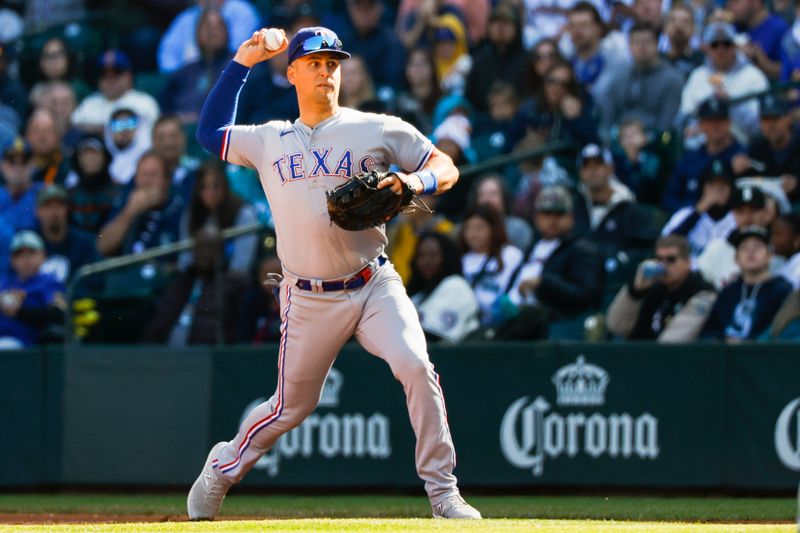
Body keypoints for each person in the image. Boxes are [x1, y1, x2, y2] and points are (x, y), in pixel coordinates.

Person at [189, 26, 482, 520]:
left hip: (373, 283)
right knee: (289, 409)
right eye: (315, 63)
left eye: (333, 63)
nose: (326, 71)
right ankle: (221, 468)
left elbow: (446, 166)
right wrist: (243, 61)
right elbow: (208, 133)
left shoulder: (377, 128)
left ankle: (443, 492)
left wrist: (415, 179)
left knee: (415, 364)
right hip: (307, 296)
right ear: (293, 74)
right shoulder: (268, 140)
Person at [505, 186, 605, 338]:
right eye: (546, 213)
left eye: (559, 214)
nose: (552, 220)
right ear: (537, 217)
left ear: (570, 217)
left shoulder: (582, 250)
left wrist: (543, 283)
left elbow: (586, 295)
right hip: (517, 320)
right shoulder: (533, 247)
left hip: (553, 326)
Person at [142, 224, 248, 345]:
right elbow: (160, 321)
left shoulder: (233, 283)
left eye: (210, 247)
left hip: (209, 356)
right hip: (167, 355)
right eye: (201, 247)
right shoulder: (180, 281)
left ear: (220, 250)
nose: (205, 253)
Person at [607, 234, 717, 342]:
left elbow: (672, 343)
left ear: (687, 262)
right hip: (639, 355)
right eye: (659, 259)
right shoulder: (652, 288)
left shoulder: (702, 292)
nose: (663, 265)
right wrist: (635, 292)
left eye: (671, 260)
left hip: (670, 358)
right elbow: (616, 325)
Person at [678, 22, 768, 143]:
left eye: (726, 44)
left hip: (741, 146)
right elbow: (684, 116)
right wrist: (694, 127)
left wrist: (732, 104)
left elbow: (759, 126)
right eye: (715, 45)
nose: (721, 50)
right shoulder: (698, 76)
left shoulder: (753, 76)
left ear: (735, 46)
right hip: (703, 147)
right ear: (706, 48)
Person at [701, 225, 792, 341]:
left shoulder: (783, 291)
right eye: (744, 248)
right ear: (736, 258)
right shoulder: (727, 293)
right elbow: (710, 330)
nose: (751, 252)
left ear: (769, 256)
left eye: (757, 247)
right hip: (726, 356)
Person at [572, 143, 659, 258]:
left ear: (610, 168)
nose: (592, 171)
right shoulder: (573, 205)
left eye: (598, 164)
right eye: (586, 166)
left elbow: (646, 249)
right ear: (580, 173)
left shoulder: (628, 207)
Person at [662, 97, 745, 213]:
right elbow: (669, 198)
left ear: (728, 123)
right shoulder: (690, 159)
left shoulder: (742, 156)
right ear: (701, 125)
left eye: (719, 120)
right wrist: (691, 212)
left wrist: (741, 173)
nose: (715, 126)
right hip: (691, 224)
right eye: (710, 121)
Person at [97, 151, 185, 258]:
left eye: (153, 175)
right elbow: (101, 246)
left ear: (167, 180)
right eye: (143, 174)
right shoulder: (125, 203)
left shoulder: (180, 209)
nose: (146, 182)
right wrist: (130, 212)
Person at [178, 159, 258, 275]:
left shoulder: (243, 212)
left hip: (232, 279)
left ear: (225, 186)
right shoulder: (191, 212)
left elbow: (241, 265)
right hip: (197, 276)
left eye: (216, 187)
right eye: (204, 187)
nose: (210, 193)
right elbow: (185, 258)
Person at [604, 23, 684, 137]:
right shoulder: (618, 76)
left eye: (647, 42)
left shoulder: (672, 79)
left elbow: (666, 125)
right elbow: (608, 116)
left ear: (657, 44)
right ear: (629, 46)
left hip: (655, 143)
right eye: (636, 42)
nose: (641, 47)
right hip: (618, 140)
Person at [160, 7, 234, 125]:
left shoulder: (241, 66)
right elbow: (165, 106)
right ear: (197, 33)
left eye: (218, 27)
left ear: (227, 32)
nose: (212, 32)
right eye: (207, 27)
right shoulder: (184, 72)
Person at [406, 231, 479, 343]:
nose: (426, 261)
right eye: (421, 255)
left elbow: (432, 337)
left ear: (447, 257)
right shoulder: (420, 294)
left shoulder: (455, 285)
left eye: (433, 255)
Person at [460, 205, 524, 329]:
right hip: (468, 323)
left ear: (494, 228)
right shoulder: (461, 259)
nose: (473, 234)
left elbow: (516, 289)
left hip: (502, 322)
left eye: (479, 228)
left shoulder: (511, 254)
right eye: (468, 228)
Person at [696, 184, 772, 288]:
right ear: (733, 213)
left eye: (753, 210)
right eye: (741, 211)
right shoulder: (717, 248)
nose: (747, 217)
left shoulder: (777, 247)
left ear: (765, 212)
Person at [0, 230, 65, 348]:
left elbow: (58, 313)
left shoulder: (49, 283)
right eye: (19, 255)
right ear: (12, 260)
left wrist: (19, 312)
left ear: (43, 255)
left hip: (28, 345)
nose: (26, 259)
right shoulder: (5, 283)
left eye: (31, 253)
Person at [71, 50, 160, 135]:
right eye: (103, 73)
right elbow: (73, 127)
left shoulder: (144, 102)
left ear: (129, 76)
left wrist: (102, 129)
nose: (110, 78)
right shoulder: (89, 104)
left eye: (117, 72)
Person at [731, 93, 800, 204]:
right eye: (766, 119)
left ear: (789, 118)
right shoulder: (758, 145)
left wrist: (797, 184)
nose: (771, 125)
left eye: (776, 118)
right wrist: (738, 170)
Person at [157, 0, 261, 73]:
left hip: (227, 70)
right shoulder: (186, 18)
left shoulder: (241, 10)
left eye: (218, 27)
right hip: (189, 77)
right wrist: (182, 76)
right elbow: (167, 56)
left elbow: (241, 50)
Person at [662, 158, 737, 258]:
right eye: (712, 185)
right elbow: (665, 246)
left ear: (731, 189)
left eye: (723, 185)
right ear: (702, 187)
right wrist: (698, 212)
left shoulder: (737, 219)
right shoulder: (684, 215)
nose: (717, 190)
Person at [464, 2, 527, 114]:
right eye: (495, 22)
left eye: (506, 23)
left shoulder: (527, 62)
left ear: (516, 28)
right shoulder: (479, 62)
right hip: (484, 123)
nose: (500, 27)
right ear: (489, 27)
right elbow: (470, 101)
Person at [34, 184, 98, 285]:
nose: (54, 212)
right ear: (37, 211)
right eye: (48, 206)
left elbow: (94, 284)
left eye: (59, 205)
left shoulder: (83, 244)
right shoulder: (28, 244)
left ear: (67, 209)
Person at [64, 136, 123, 234]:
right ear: (78, 160)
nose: (91, 158)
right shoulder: (70, 195)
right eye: (86, 153)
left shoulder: (118, 192)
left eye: (95, 153)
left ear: (105, 158)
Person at [0, 138, 41, 277]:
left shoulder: (44, 195)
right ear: (1, 165)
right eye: (11, 161)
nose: (18, 166)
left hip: (35, 281)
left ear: (33, 164)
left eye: (24, 161)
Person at [467, 174, 533, 251]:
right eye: (482, 195)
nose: (487, 200)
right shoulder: (466, 230)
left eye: (493, 194)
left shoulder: (518, 229)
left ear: (504, 198)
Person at [728, 0, 788, 80]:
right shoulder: (733, 27)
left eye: (736, 1)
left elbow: (791, 72)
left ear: (756, 2)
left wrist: (760, 60)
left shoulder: (779, 28)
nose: (730, 6)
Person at [104, 108, 153, 186]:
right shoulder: (102, 158)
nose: (124, 130)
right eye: (118, 125)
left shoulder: (148, 157)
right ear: (109, 129)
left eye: (130, 124)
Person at [25, 108, 71, 185]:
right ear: (27, 136)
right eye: (36, 130)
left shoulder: (67, 167)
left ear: (57, 136)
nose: (42, 136)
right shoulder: (15, 164)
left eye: (48, 131)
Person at [661, 4, 704, 80]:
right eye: (673, 21)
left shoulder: (702, 60)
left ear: (694, 29)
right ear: (665, 28)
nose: (679, 25)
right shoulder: (656, 60)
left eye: (685, 21)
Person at [771, 212, 800, 289]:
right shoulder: (781, 262)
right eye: (773, 234)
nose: (773, 240)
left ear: (797, 239)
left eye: (778, 235)